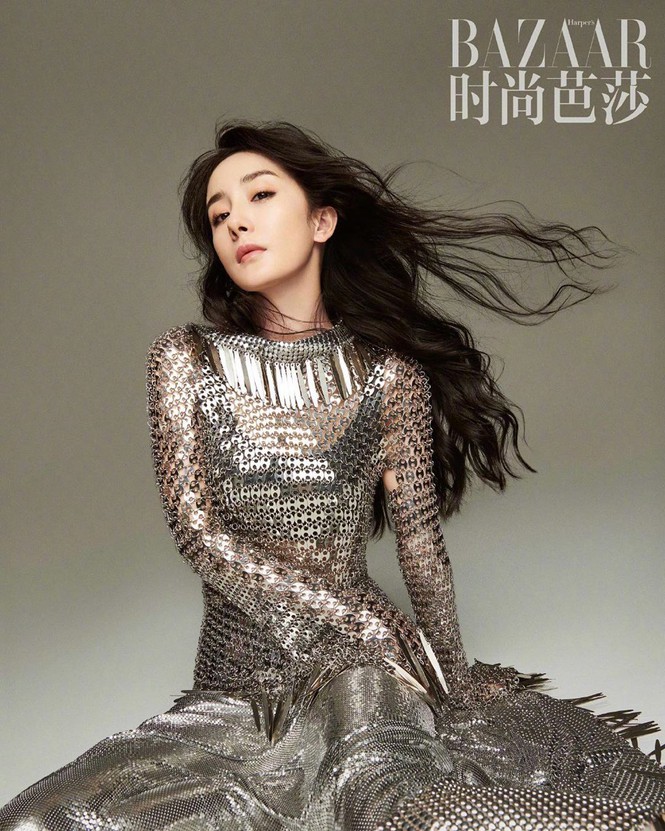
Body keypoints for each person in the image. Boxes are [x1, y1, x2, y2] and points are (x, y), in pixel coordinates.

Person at [1, 119, 663, 831]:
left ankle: (613, 824)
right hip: (236, 686)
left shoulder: (389, 378)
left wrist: (451, 673)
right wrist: (340, 608)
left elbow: (419, 546)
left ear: (322, 220)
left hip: (361, 667)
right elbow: (198, 532)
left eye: (259, 196)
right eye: (219, 216)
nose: (236, 223)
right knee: (41, 820)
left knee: (384, 807)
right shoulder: (184, 359)